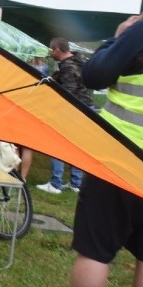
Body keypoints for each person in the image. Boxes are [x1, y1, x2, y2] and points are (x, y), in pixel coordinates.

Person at [36, 9, 143, 287]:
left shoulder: (142, 32)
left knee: (96, 247)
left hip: (124, 156)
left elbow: (95, 74)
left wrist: (118, 37)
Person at [36, 37, 95, 194]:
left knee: (58, 144)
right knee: (77, 147)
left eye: (51, 49)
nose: (50, 52)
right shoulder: (79, 63)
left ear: (57, 49)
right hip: (86, 108)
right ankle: (75, 183)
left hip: (73, 110)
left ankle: (55, 184)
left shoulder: (68, 67)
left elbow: (68, 92)